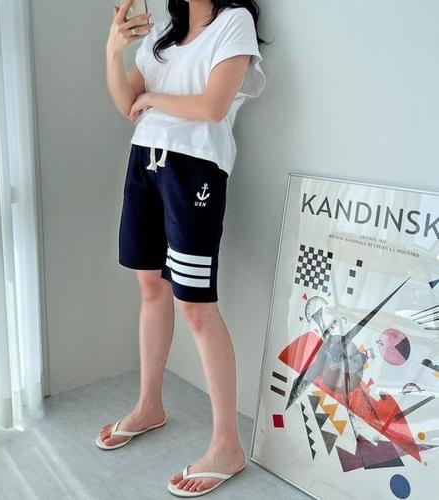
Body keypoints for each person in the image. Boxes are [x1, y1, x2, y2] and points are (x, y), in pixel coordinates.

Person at [99, 0, 267, 496]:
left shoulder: (233, 22)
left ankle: (227, 445)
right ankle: (149, 405)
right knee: (151, 288)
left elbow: (213, 107)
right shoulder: (162, 35)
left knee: (195, 306)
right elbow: (126, 104)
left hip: (195, 168)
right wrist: (113, 51)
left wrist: (151, 98)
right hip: (144, 161)